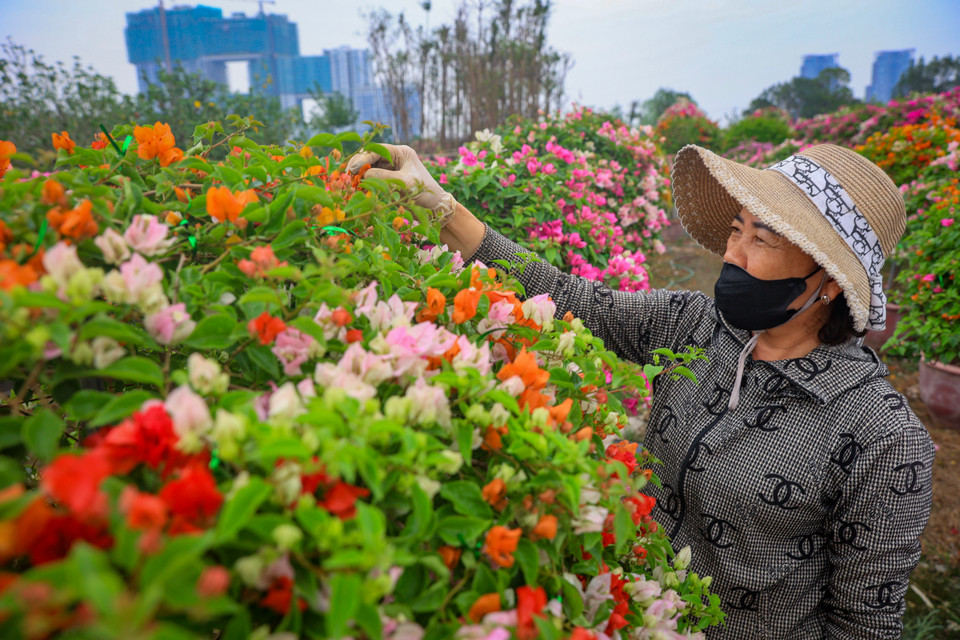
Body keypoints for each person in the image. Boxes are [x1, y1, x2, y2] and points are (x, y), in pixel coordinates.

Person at [347, 142, 935, 639]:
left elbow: (863, 626)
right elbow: (569, 299)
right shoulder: (696, 326)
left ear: (829, 278)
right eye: (736, 229)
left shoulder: (881, 435)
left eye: (762, 240)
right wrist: (441, 206)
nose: (731, 254)